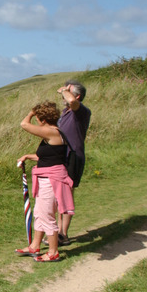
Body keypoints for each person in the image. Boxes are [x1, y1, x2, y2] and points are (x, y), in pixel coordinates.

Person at [15, 101, 73, 262]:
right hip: (47, 176)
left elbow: (24, 125)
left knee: (46, 215)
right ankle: (35, 246)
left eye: (38, 118)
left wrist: (32, 112)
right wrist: (28, 156)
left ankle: (53, 252)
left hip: (51, 179)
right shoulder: (54, 132)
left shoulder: (50, 131)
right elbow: (50, 156)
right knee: (40, 213)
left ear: (42, 119)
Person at [56, 80, 91, 245]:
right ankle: (58, 232)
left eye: (68, 90)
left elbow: (71, 101)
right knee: (59, 195)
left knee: (67, 194)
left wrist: (64, 90)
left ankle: (64, 233)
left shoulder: (81, 111)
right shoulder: (66, 112)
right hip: (62, 155)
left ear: (77, 96)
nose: (63, 94)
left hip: (74, 156)